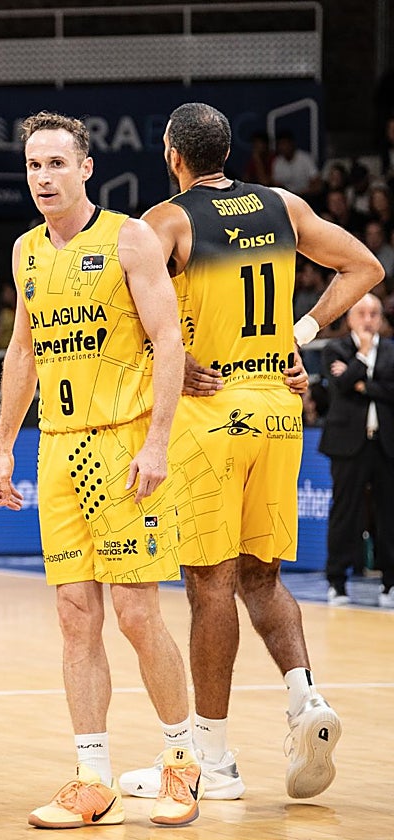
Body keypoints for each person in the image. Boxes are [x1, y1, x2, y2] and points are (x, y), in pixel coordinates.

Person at [121, 101, 382, 804]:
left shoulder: (165, 221)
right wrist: (297, 332)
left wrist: (163, 356)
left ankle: (213, 761)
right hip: (279, 408)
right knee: (262, 578)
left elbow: (130, 326)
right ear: (228, 152)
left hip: (212, 413)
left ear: (173, 154)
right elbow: (364, 267)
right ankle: (305, 703)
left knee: (210, 587)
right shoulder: (284, 205)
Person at [0, 111, 201, 829]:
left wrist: (159, 441)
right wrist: (3, 446)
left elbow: (169, 339)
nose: (42, 177)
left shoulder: (130, 239)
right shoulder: (23, 251)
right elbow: (23, 352)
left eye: (55, 163)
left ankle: (180, 763)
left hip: (123, 444)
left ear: (86, 169)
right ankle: (92, 777)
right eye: (33, 166)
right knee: (75, 617)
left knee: (139, 614)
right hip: (57, 448)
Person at [318, 294, 394, 608]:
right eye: (362, 312)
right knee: (345, 513)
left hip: (386, 445)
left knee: (389, 515)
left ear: (381, 318)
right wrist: (362, 358)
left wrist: (360, 382)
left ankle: (390, 583)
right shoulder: (335, 349)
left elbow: (390, 392)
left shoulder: (391, 351)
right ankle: (337, 582)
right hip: (347, 446)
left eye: (374, 313)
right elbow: (340, 387)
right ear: (349, 317)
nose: (368, 319)